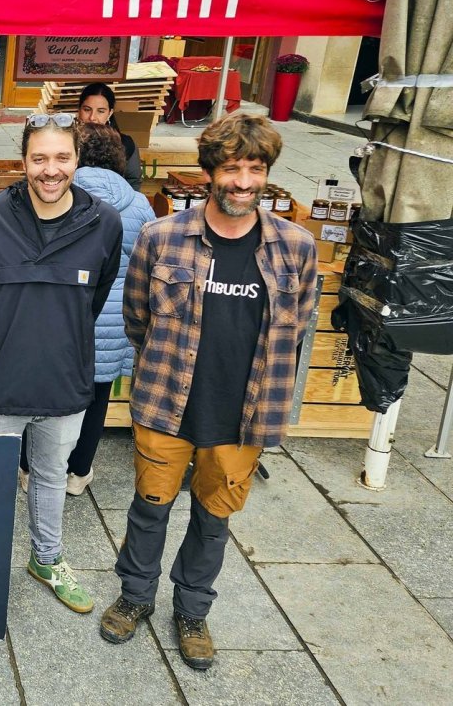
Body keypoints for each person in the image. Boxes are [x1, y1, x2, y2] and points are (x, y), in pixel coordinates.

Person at [101, 114, 318, 672]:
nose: (243, 181)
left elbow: (298, 327)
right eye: (231, 168)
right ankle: (135, 596)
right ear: (208, 173)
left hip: (243, 414)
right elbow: (137, 318)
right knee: (149, 510)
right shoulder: (162, 236)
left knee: (213, 520)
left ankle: (192, 610)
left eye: (255, 168)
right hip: (166, 403)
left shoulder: (296, 246)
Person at [0, 112, 121, 614]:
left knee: (50, 476)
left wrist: (63, 344)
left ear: (77, 161)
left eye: (62, 158)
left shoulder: (104, 222)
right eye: (39, 158)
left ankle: (46, 559)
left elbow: (95, 297)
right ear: (23, 161)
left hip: (66, 385)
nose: (51, 170)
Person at [63, 124, 156, 495]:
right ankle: (78, 473)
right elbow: (148, 265)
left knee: (51, 398)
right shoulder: (139, 204)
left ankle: (31, 470)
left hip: (68, 314)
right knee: (97, 397)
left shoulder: (61, 195)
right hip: (115, 318)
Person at [77, 83, 142, 191]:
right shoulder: (68, 141)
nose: (92, 117)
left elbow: (133, 180)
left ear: (110, 113)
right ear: (79, 110)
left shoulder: (125, 144)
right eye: (87, 110)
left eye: (101, 111)